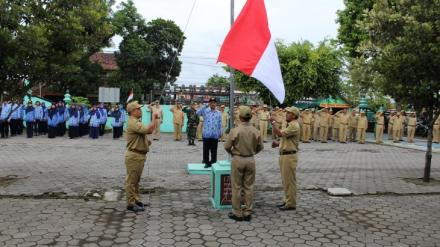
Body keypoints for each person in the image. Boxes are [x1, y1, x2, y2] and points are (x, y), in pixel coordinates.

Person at [224, 106, 264, 221]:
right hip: (250, 159)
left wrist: (232, 153)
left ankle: (237, 212)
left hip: (238, 159)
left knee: (236, 187)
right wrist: (252, 152)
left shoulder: (235, 130)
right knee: (249, 187)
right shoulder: (256, 131)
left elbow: (227, 146)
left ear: (240, 117)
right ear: (250, 117)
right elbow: (260, 147)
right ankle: (247, 212)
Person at [125, 101, 155, 213]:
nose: (140, 110)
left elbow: (141, 135)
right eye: (138, 109)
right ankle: (130, 204)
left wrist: (146, 142)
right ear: (132, 111)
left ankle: (136, 200)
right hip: (134, 156)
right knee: (131, 181)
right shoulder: (133, 122)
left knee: (136, 181)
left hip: (138, 155)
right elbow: (150, 130)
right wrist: (154, 116)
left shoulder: (136, 121)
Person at [271, 106, 300, 211]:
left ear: (293, 115)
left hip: (289, 156)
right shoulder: (290, 124)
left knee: (289, 181)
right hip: (285, 155)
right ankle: (287, 200)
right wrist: (278, 144)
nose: (286, 114)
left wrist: (273, 121)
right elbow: (285, 139)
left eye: (288, 113)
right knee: (285, 180)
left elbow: (279, 133)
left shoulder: (294, 125)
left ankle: (291, 203)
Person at [196, 97, 222, 168]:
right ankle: (207, 162)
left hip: (215, 134)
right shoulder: (205, 111)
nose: (212, 104)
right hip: (207, 134)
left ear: (216, 104)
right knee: (206, 150)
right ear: (209, 103)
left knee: (214, 150)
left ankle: (213, 162)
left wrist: (220, 132)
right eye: (211, 102)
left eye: (214, 102)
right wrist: (205, 106)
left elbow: (220, 123)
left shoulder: (219, 113)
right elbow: (197, 113)